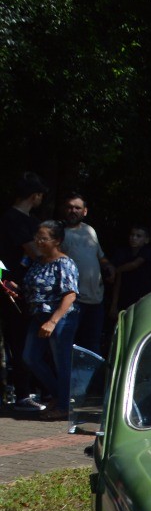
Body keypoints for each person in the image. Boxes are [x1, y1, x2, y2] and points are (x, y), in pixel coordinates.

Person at [19, 220, 79, 421]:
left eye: (43, 238)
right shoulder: (37, 262)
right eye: (37, 237)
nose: (38, 241)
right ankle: (60, 395)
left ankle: (63, 406)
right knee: (30, 357)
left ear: (57, 240)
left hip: (60, 318)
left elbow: (70, 295)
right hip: (38, 316)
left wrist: (53, 322)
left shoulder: (65, 264)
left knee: (61, 362)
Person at [2, 173, 46, 408]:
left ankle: (32, 389)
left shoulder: (31, 220)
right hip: (12, 289)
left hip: (30, 290)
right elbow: (35, 252)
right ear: (34, 195)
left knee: (30, 339)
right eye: (40, 195)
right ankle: (22, 394)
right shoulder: (11, 219)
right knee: (19, 340)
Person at [60, 192, 112, 357]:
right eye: (69, 207)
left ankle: (93, 382)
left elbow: (100, 256)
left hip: (96, 299)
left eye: (77, 208)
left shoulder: (89, 230)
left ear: (85, 211)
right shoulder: (59, 234)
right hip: (73, 300)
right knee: (68, 346)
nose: (73, 211)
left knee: (92, 346)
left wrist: (109, 267)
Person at [110, 225, 151, 314]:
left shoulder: (147, 251)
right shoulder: (123, 253)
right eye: (132, 235)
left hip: (143, 297)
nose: (134, 238)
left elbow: (135, 264)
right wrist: (114, 304)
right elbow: (118, 281)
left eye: (138, 236)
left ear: (147, 240)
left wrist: (116, 270)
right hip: (125, 297)